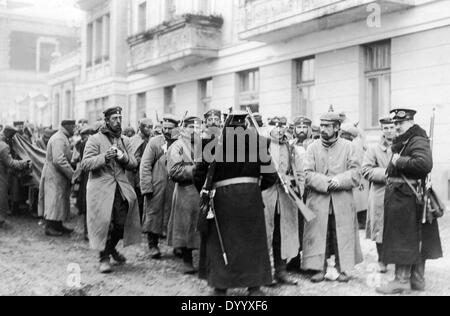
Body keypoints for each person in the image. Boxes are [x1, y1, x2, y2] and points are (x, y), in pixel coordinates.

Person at [193, 111, 278, 296]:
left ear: (225, 124)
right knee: (252, 243)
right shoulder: (260, 144)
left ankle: (220, 287)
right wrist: (253, 189)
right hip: (251, 200)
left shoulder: (210, 144)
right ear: (245, 125)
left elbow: (198, 175)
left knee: (221, 242)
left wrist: (210, 192)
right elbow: (272, 177)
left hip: (222, 200)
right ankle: (254, 287)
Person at [376, 108, 443, 294]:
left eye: (400, 123)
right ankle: (416, 280)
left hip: (407, 198)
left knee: (403, 240)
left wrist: (398, 162)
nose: (396, 127)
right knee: (412, 239)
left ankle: (401, 280)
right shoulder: (407, 139)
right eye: (395, 123)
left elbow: (424, 164)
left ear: (410, 122)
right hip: (403, 197)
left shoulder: (417, 140)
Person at [303, 112, 363, 283]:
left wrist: (339, 180)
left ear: (337, 128)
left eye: (328, 126)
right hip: (318, 199)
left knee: (342, 233)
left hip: (342, 199)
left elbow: (356, 173)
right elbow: (306, 174)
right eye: (322, 126)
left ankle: (342, 268)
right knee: (319, 233)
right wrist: (325, 182)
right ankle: (317, 268)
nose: (323, 129)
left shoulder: (349, 147)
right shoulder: (312, 147)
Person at [81, 106, 142, 274]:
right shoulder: (94, 140)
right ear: (106, 121)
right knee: (104, 225)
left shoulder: (125, 140)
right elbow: (85, 164)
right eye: (114, 118)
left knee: (122, 224)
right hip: (101, 189)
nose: (118, 121)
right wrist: (104, 157)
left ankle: (111, 249)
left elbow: (134, 164)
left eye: (120, 118)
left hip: (120, 187)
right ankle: (104, 258)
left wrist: (123, 157)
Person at [262, 117, 299, 285]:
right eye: (274, 126)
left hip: (285, 196)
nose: (278, 129)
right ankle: (264, 273)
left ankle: (281, 271)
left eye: (282, 126)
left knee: (282, 234)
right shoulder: (262, 145)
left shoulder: (290, 147)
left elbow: (299, 172)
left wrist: (292, 182)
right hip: (266, 194)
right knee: (265, 234)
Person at [166, 116, 202, 274]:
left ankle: (203, 258)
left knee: (201, 225)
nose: (194, 131)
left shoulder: (204, 145)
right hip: (185, 190)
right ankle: (187, 259)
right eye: (191, 127)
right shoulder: (177, 146)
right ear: (184, 129)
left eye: (197, 128)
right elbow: (173, 171)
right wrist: (195, 170)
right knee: (185, 225)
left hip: (202, 191)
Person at [140, 114, 179, 259]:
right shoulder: (155, 142)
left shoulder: (181, 142)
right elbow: (145, 165)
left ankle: (177, 246)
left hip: (174, 186)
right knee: (153, 213)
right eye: (165, 128)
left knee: (174, 214)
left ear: (177, 128)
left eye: (170, 128)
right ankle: (153, 245)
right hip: (156, 185)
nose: (167, 131)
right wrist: (146, 187)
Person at [361, 117, 395, 274]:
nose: (389, 131)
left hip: (399, 193)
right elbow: (366, 170)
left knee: (397, 225)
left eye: (392, 127)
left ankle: (396, 258)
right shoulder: (373, 149)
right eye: (386, 128)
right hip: (380, 192)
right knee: (379, 227)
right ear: (382, 130)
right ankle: (382, 259)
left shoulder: (402, 147)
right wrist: (387, 174)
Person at [39, 120, 76, 237]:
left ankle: (58, 225)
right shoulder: (59, 139)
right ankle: (49, 227)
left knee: (60, 201)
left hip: (58, 175)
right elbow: (58, 160)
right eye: (73, 126)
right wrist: (72, 174)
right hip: (54, 175)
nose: (74, 129)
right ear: (67, 127)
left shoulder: (62, 137)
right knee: (53, 201)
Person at [287, 115, 313, 273]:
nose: (301, 131)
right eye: (299, 128)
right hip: (296, 190)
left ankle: (310, 261)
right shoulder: (289, 146)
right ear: (294, 129)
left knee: (311, 226)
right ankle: (294, 259)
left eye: (304, 128)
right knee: (295, 224)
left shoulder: (315, 145)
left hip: (311, 189)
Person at [0, 126, 31, 227]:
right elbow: (10, 163)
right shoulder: (3, 145)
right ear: (9, 135)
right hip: (1, 175)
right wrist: (24, 163)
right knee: (2, 197)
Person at [127, 118, 154, 220]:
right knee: (138, 201)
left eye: (151, 127)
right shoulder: (134, 140)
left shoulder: (152, 139)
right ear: (141, 127)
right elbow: (134, 158)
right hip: (137, 175)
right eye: (147, 127)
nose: (150, 130)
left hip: (149, 174)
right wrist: (147, 159)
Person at [74, 126, 96, 241]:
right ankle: (89, 231)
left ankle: (87, 231)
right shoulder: (90, 143)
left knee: (87, 203)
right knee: (91, 204)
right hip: (91, 175)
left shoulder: (82, 143)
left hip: (86, 176)